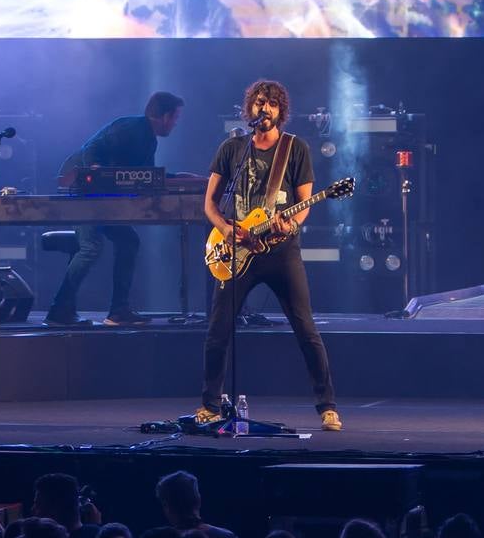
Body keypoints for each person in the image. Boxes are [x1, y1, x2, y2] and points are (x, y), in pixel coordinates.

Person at [197, 78, 340, 431]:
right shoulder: (232, 148)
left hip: (281, 252)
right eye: (260, 102)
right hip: (236, 250)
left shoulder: (295, 148)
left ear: (281, 111)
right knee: (218, 330)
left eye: (272, 103)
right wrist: (226, 229)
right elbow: (210, 203)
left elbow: (304, 204)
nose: (266, 108)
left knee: (305, 328)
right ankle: (210, 405)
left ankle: (327, 407)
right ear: (250, 108)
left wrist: (288, 226)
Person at [49, 91, 185, 327]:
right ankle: (58, 311)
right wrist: (96, 170)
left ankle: (118, 311)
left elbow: (148, 177)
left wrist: (179, 178)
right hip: (81, 190)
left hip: (101, 197)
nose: (175, 124)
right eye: (175, 118)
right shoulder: (130, 127)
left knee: (128, 241)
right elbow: (91, 148)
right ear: (164, 116)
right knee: (91, 247)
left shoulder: (149, 140)